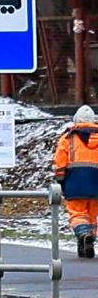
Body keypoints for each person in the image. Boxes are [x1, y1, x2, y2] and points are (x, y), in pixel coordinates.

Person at [57, 106, 98, 262]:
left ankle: (83, 234)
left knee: (77, 213)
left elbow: (60, 161)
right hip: (96, 184)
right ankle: (89, 242)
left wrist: (60, 180)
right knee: (92, 215)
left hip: (75, 182)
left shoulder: (68, 138)